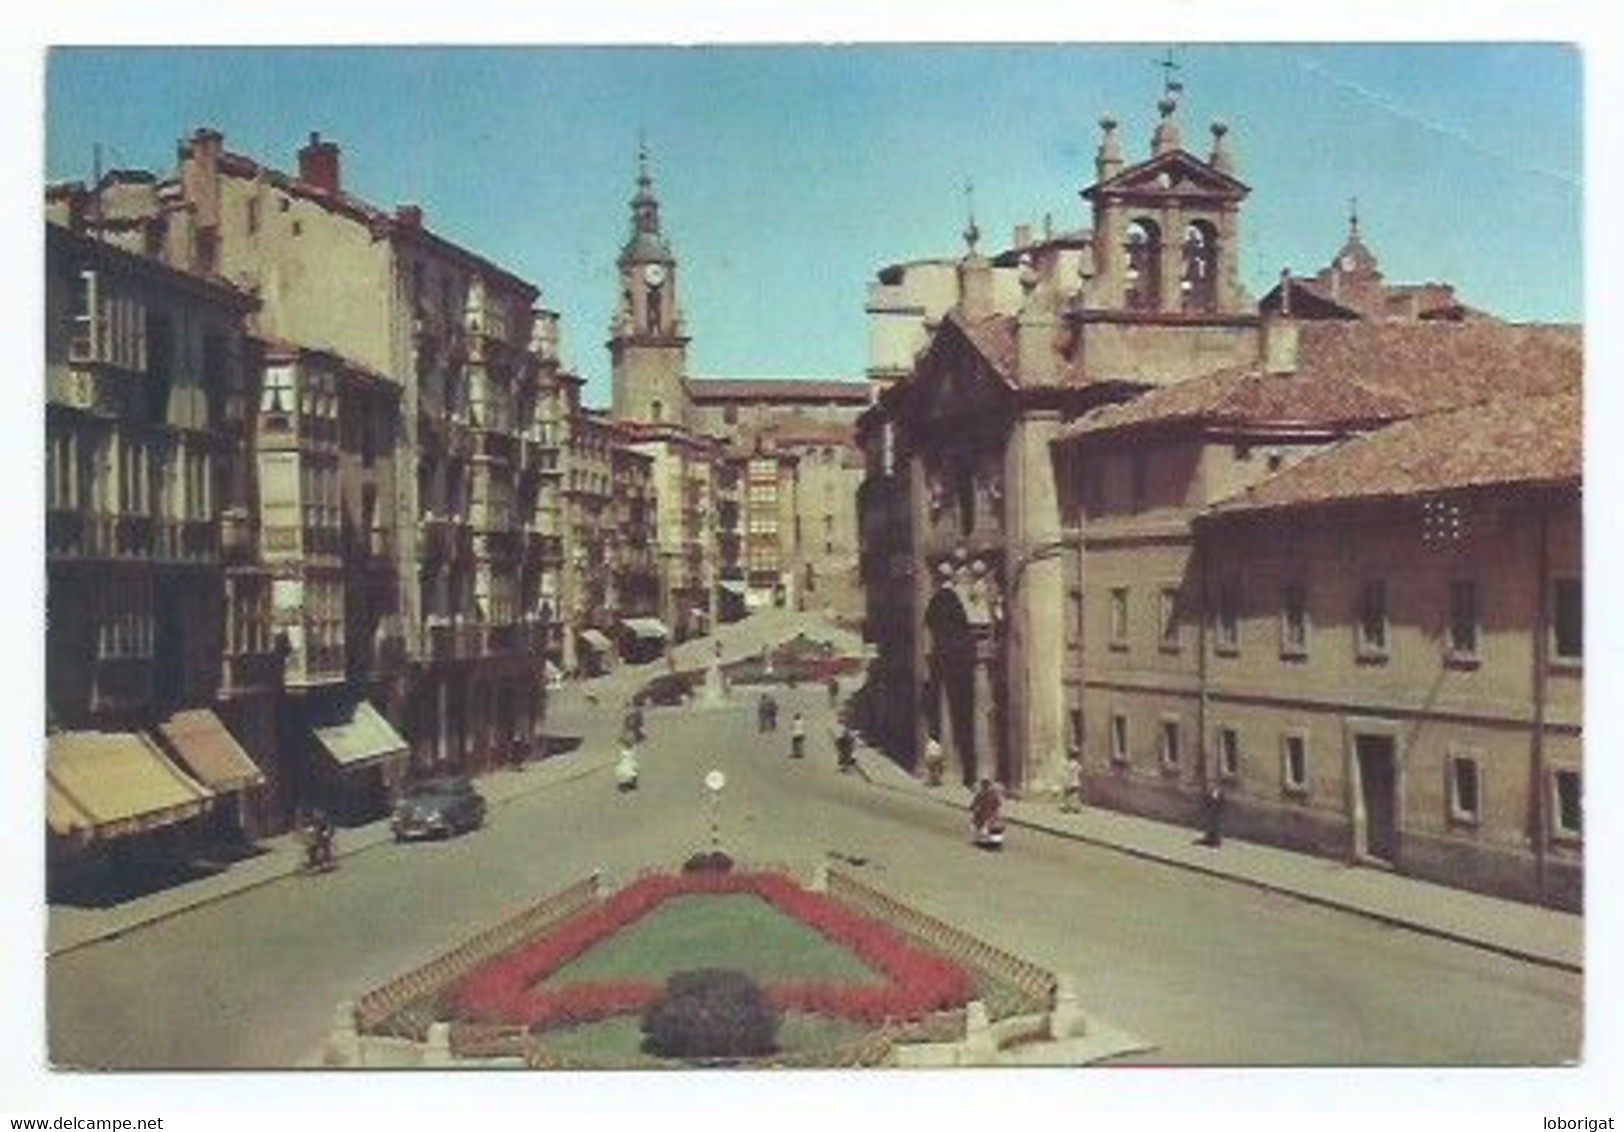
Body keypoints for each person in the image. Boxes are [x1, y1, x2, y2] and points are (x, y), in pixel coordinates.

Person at [970, 779, 1005, 850]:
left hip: (986, 815)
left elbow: (975, 804)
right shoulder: (990, 795)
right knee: (990, 828)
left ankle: (988, 843)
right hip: (989, 815)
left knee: (987, 828)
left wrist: (974, 808)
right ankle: (993, 844)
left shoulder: (982, 795)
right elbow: (998, 804)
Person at [1199, 780, 1226, 847]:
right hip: (1212, 812)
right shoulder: (1212, 792)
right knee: (1210, 825)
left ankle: (1216, 842)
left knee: (1217, 826)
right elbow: (1209, 802)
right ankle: (1209, 839)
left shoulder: (1220, 793)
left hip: (1217, 814)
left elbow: (1220, 804)